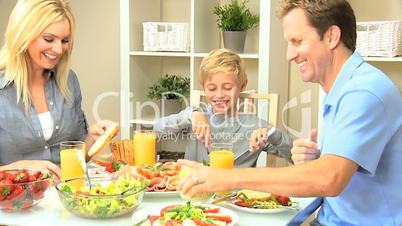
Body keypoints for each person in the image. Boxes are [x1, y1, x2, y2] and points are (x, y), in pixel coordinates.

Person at [178, 0, 402, 225]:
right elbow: (339, 170)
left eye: (297, 41)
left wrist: (226, 177)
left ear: (332, 36)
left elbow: (330, 178)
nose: (289, 55)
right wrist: (319, 158)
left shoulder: (363, 91)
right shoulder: (343, 89)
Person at [0, 0, 118, 179]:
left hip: (64, 197)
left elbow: (78, 159)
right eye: (49, 39)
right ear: (23, 34)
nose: (58, 49)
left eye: (64, 41)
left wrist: (92, 140)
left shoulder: (68, 81)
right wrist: (21, 168)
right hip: (17, 203)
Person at [154, 48, 293, 167]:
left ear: (242, 86)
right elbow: (158, 129)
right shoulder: (196, 119)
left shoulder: (255, 126)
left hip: (235, 196)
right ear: (203, 88)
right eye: (212, 88)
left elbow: (295, 158)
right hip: (195, 193)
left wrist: (273, 134)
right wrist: (191, 113)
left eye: (227, 88)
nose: (219, 95)